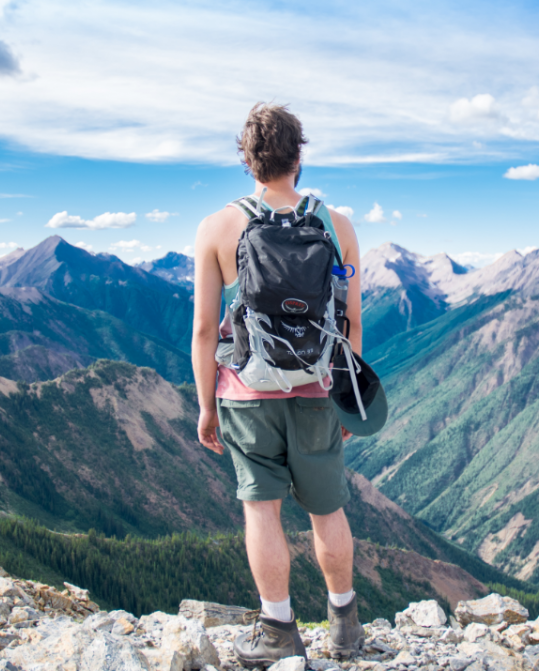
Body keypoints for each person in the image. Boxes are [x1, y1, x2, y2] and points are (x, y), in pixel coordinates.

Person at [191, 102, 365, 667]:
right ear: (298, 154)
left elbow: (201, 329)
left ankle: (277, 632)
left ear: (247, 160)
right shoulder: (336, 226)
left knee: (261, 512)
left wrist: (205, 408)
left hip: (244, 393)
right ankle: (344, 628)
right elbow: (350, 323)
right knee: (327, 510)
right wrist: (348, 399)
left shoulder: (217, 227)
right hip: (317, 390)